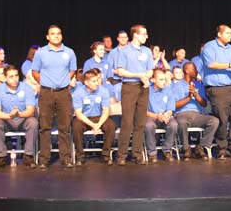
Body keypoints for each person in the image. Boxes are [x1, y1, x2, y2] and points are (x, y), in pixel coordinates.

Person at [31, 25, 77, 169]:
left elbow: (73, 70)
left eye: (58, 33)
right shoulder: (41, 53)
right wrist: (45, 82)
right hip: (46, 93)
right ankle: (44, 159)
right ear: (47, 37)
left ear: (61, 36)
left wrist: (63, 82)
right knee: (45, 127)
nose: (56, 36)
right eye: (53, 34)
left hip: (63, 92)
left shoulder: (69, 52)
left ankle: (66, 158)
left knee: (64, 127)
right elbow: (35, 71)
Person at [202, 24, 231, 159]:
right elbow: (211, 64)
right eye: (227, 33)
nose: (230, 35)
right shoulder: (210, 47)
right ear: (219, 34)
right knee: (222, 118)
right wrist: (229, 65)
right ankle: (222, 147)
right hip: (217, 88)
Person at [116, 24, 155, 165]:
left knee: (140, 122)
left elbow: (150, 69)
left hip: (143, 88)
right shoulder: (124, 51)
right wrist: (138, 75)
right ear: (136, 35)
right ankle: (121, 155)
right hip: (129, 87)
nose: (146, 36)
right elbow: (120, 71)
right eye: (144, 34)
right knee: (127, 121)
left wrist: (147, 76)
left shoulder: (147, 51)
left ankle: (137, 154)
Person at [0, 64, 39, 168]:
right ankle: (1, 156)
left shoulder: (26, 88)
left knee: (33, 122)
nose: (14, 79)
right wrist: (9, 115)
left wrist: (19, 114)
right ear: (5, 77)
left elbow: (30, 111)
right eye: (11, 76)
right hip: (6, 120)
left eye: (16, 75)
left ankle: (28, 156)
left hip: (23, 119)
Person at [172, 62, 219, 160]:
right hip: (181, 114)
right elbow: (174, 105)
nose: (196, 71)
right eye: (194, 69)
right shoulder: (176, 86)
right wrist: (189, 98)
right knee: (181, 122)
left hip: (197, 115)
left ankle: (200, 147)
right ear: (187, 71)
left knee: (214, 121)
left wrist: (196, 94)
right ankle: (186, 149)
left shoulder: (199, 85)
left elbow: (204, 104)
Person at [71, 68, 115, 165]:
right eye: (93, 81)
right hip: (84, 118)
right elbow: (78, 113)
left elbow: (106, 111)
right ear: (86, 82)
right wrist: (93, 125)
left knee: (111, 126)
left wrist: (98, 124)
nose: (96, 83)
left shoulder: (103, 91)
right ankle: (80, 156)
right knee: (76, 127)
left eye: (97, 80)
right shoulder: (79, 93)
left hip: (99, 117)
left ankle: (106, 155)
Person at [145, 68, 179, 162]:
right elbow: (143, 111)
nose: (164, 82)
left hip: (165, 117)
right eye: (161, 79)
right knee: (149, 125)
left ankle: (167, 151)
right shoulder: (147, 91)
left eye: (164, 79)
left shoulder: (168, 90)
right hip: (152, 116)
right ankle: (152, 153)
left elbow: (170, 108)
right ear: (153, 80)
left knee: (173, 124)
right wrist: (156, 116)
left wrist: (167, 114)